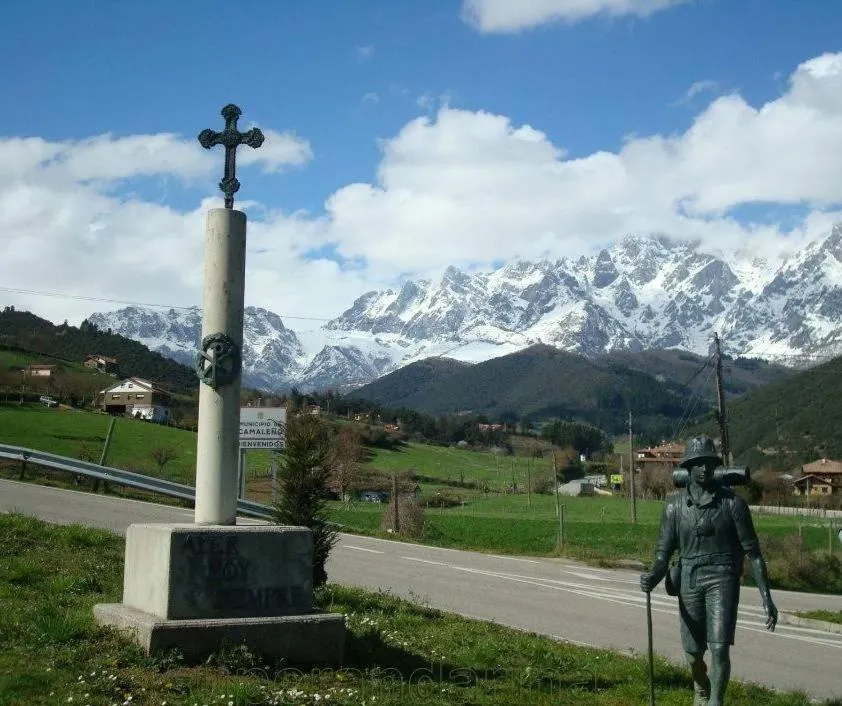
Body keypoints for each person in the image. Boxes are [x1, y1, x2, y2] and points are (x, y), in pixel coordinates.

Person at [639, 435, 778, 706]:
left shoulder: (733, 504)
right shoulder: (673, 508)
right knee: (693, 653)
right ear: (688, 468)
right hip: (689, 578)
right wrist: (653, 577)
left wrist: (767, 598)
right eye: (698, 463)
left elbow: (754, 554)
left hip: (722, 577)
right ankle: (701, 686)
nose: (704, 469)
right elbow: (662, 554)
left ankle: (715, 701)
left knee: (719, 648)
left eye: (709, 463)